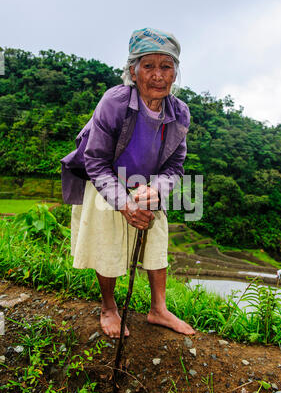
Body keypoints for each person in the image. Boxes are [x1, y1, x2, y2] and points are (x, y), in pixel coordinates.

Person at [61, 27, 195, 338]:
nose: (158, 75)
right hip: (105, 177)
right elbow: (95, 160)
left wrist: (156, 189)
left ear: (176, 72)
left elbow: (176, 164)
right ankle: (109, 306)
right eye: (148, 66)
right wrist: (123, 203)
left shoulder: (180, 113)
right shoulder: (115, 102)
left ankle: (158, 309)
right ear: (133, 71)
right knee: (108, 241)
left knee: (156, 237)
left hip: (146, 183)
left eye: (166, 66)